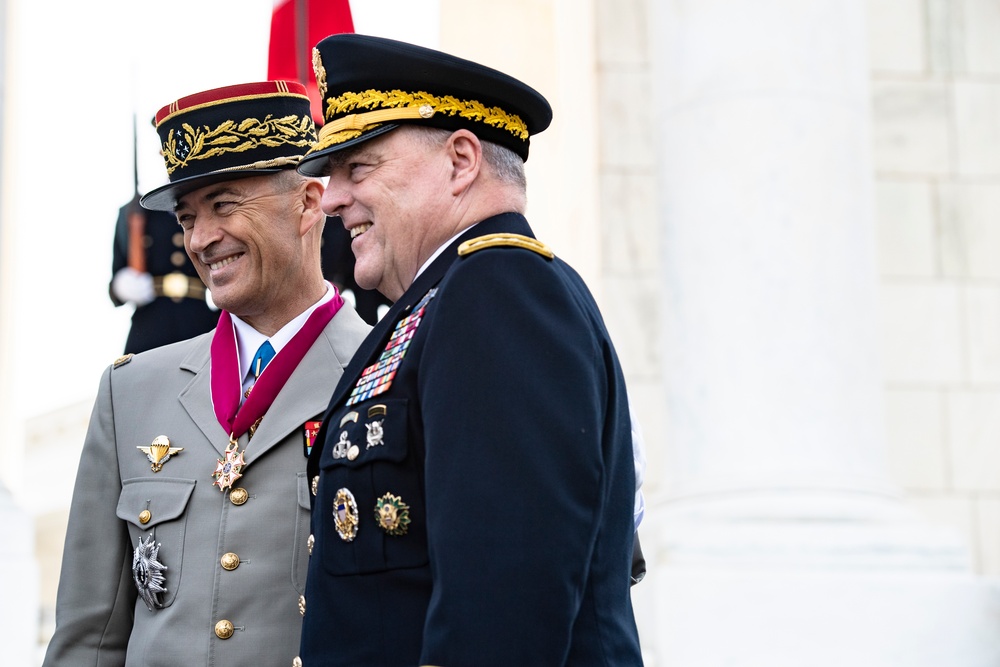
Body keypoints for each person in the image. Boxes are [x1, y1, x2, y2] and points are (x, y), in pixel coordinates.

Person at [296, 34, 643, 666]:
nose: (335, 198)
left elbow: (503, 606)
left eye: (359, 168)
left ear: (461, 161)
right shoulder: (444, 301)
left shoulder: (498, 290)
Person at [43, 81, 371, 667]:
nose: (199, 239)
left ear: (308, 203)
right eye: (188, 216)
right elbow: (89, 638)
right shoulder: (131, 390)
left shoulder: (389, 375)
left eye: (224, 206)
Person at [110, 197, 220, 353]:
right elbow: (115, 280)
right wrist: (123, 285)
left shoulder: (205, 206)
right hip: (149, 325)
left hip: (198, 321)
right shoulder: (136, 211)